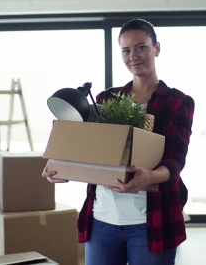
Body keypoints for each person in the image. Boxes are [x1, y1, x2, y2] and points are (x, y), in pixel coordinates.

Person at [42, 18, 195, 265]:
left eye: (141, 47)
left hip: (150, 222)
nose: (133, 55)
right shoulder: (106, 99)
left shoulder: (178, 102)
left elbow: (176, 158)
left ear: (157, 48)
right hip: (102, 219)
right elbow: (86, 148)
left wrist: (149, 177)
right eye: (126, 50)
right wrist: (59, 165)